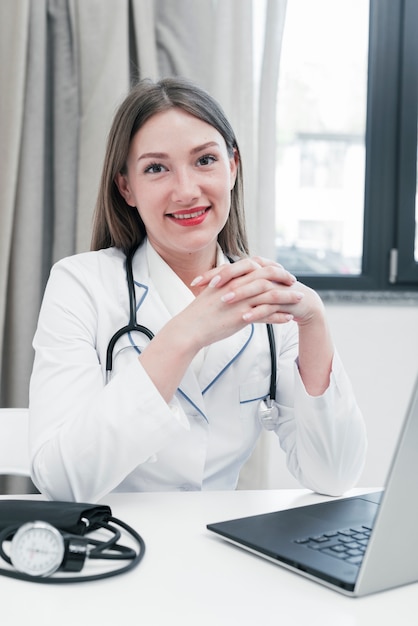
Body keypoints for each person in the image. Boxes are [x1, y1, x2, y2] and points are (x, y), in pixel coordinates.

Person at [29, 77, 367, 503]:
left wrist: (314, 320)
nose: (187, 190)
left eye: (205, 160)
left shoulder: (269, 300)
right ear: (126, 187)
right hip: (113, 546)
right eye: (156, 168)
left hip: (217, 547)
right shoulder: (80, 284)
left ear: (233, 167)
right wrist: (185, 334)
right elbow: (61, 481)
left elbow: (334, 476)